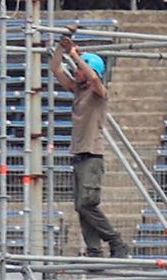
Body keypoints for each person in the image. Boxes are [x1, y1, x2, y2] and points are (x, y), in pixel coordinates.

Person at [51, 32, 129, 259]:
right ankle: (94, 250)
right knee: (81, 207)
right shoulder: (78, 91)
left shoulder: (98, 92)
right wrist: (62, 48)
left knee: (87, 203)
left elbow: (94, 79)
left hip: (92, 153)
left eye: (79, 69)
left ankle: (115, 240)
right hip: (78, 153)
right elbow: (56, 69)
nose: (75, 72)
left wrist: (75, 54)